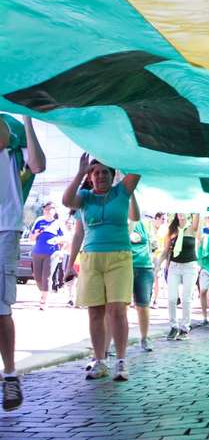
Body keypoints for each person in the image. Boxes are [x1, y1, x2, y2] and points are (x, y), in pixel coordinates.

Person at [62, 154, 141, 382]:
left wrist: (114, 146)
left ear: (113, 174)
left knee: (117, 310)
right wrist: (79, 173)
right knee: (95, 312)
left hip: (119, 258)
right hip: (91, 259)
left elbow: (137, 165)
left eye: (105, 172)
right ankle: (100, 361)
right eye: (95, 172)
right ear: (90, 176)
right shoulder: (85, 198)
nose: (100, 176)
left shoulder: (121, 191)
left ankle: (121, 361)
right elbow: (67, 201)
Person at [1, 115, 45, 410]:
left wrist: (27, 118)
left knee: (0, 308)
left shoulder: (13, 156)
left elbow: (39, 165)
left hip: (4, 230)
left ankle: (11, 376)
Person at [164, 213, 200, 340]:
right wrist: (158, 266)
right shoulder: (172, 229)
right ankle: (174, 326)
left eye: (183, 209)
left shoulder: (192, 228)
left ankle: (185, 328)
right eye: (178, 209)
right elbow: (166, 250)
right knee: (172, 298)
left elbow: (198, 213)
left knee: (186, 299)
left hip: (189, 267)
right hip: (174, 266)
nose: (181, 212)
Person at [127, 197, 154, 352]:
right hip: (124, 267)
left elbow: (148, 242)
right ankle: (115, 341)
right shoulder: (120, 222)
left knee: (143, 306)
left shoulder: (145, 224)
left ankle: (144, 338)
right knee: (121, 306)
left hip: (144, 267)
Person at [29, 201, 63, 311]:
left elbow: (66, 238)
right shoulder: (39, 221)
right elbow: (31, 238)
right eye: (46, 208)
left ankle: (44, 300)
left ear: (54, 210)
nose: (48, 210)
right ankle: (44, 291)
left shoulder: (58, 223)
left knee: (46, 277)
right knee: (37, 278)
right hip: (37, 252)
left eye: (50, 208)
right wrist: (37, 234)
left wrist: (57, 239)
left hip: (52, 253)